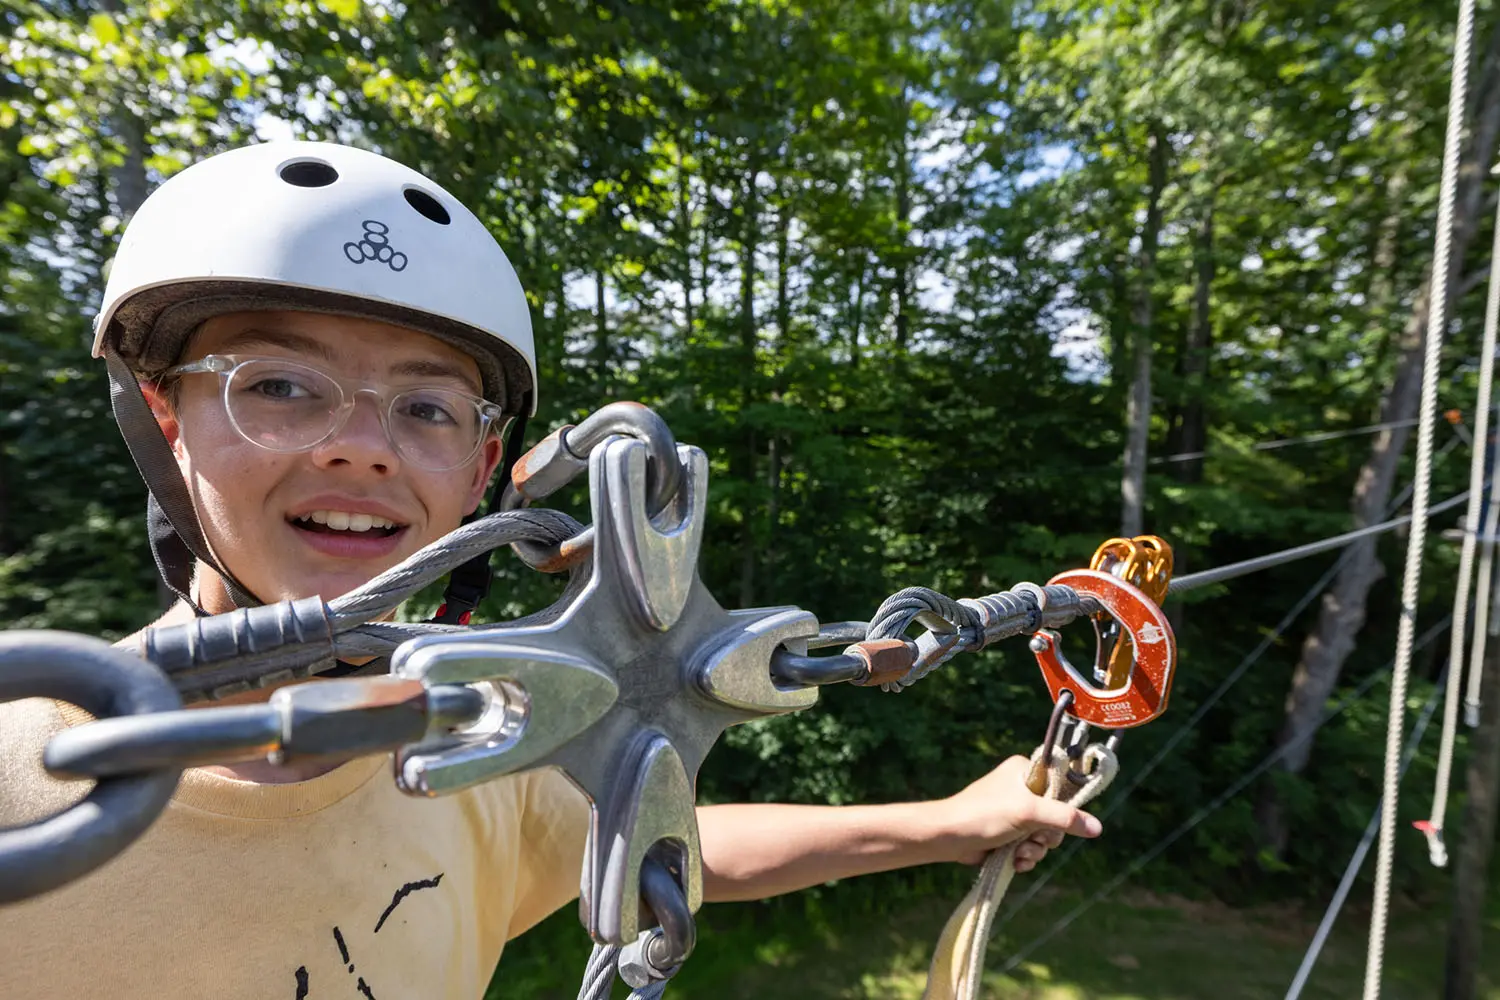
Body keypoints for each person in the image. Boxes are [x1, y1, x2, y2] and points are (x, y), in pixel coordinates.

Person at [0, 141, 1101, 999]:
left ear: (485, 464)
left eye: (427, 406)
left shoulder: (472, 753)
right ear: (164, 411)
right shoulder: (22, 789)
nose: (363, 445)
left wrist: (947, 821)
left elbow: (669, 838)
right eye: (280, 383)